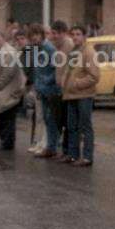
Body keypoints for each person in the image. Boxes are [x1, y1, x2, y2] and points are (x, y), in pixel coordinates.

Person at [61, 25, 100, 166]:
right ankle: (72, 155)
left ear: (84, 36)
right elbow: (69, 71)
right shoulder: (73, 51)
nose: (75, 37)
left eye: (78, 34)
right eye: (73, 34)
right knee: (72, 127)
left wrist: (77, 84)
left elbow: (94, 76)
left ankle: (87, 157)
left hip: (84, 95)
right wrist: (64, 83)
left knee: (85, 126)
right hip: (71, 95)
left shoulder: (89, 52)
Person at [0, 32, 26, 151]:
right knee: (2, 115)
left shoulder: (8, 53)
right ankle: (4, 141)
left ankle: (7, 143)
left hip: (8, 89)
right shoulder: (0, 52)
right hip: (3, 90)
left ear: (4, 39)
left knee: (6, 116)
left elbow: (8, 73)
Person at [29, 23, 60, 159]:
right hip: (41, 89)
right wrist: (37, 85)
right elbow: (37, 70)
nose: (34, 38)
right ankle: (48, 145)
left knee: (51, 118)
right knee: (45, 119)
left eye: (36, 35)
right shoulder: (36, 48)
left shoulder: (49, 48)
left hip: (50, 89)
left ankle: (51, 146)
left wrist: (47, 81)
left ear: (41, 35)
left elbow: (56, 69)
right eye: (32, 36)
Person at [50, 20, 74, 160]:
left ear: (62, 33)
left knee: (67, 121)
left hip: (67, 89)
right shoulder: (57, 46)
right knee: (60, 120)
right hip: (59, 88)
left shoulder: (69, 45)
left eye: (55, 33)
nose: (53, 36)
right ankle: (65, 150)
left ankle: (68, 151)